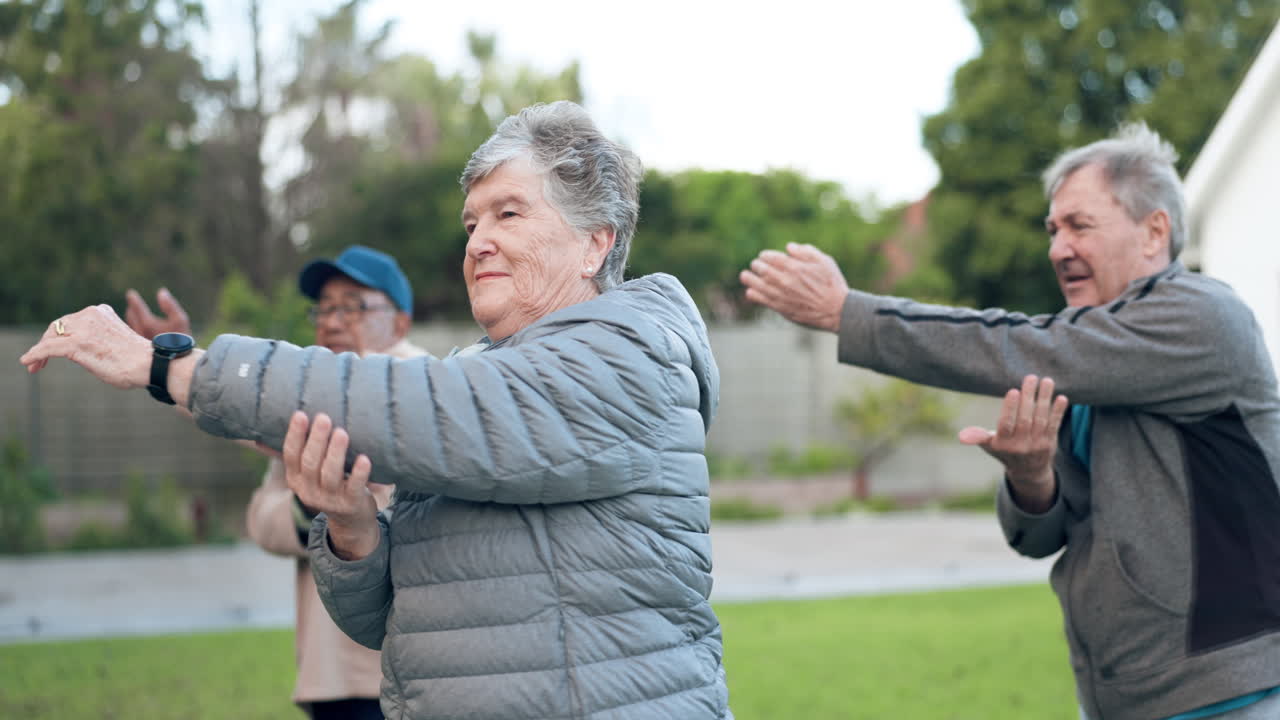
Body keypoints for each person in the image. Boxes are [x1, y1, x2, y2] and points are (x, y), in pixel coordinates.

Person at [22, 101, 732, 720]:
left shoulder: (629, 355)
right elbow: (393, 624)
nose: (477, 241)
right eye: (471, 222)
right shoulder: (476, 379)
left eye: (508, 213)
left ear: (595, 242)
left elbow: (415, 404)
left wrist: (170, 365)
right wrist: (353, 530)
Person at [739, 122, 1280, 719]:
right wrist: (1031, 477)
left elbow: (1016, 344)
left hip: (1230, 694)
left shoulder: (1203, 317)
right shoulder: (1095, 357)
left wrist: (851, 313)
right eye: (1053, 230)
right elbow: (1039, 537)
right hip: (1124, 700)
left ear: (1155, 231)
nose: (1057, 249)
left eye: (1079, 225)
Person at [124, 245, 429, 720]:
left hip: (411, 675)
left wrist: (171, 368)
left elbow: (263, 409)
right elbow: (263, 521)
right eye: (324, 308)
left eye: (352, 306)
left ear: (401, 323)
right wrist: (313, 510)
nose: (332, 322)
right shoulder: (301, 415)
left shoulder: (423, 386)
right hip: (333, 676)